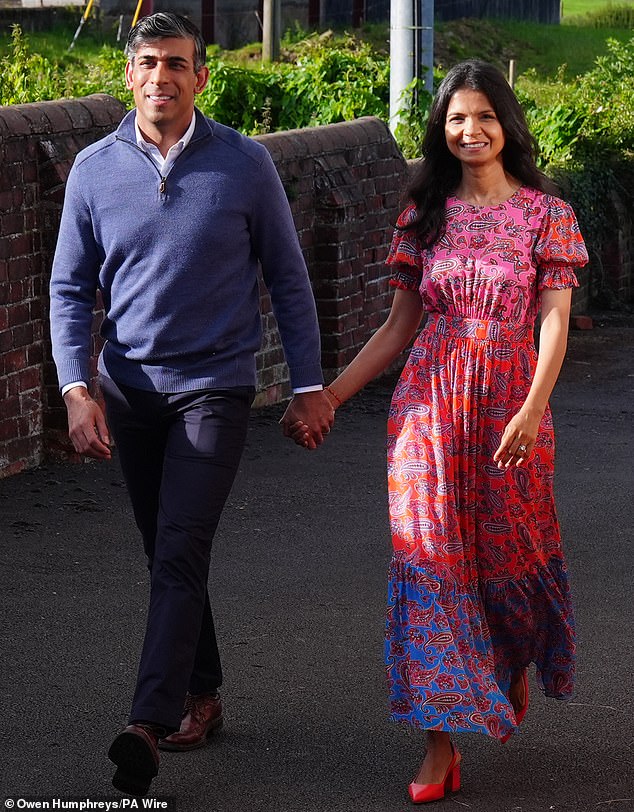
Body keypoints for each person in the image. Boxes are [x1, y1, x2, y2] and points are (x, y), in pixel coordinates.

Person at [284, 59, 588, 803]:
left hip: (512, 405)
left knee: (509, 554)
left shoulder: (546, 214)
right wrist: (329, 397)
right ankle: (439, 742)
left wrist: (532, 405)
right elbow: (397, 327)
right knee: (426, 560)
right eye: (456, 118)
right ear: (441, 130)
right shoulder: (424, 214)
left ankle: (500, 667)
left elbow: (554, 319)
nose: (470, 130)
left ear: (506, 125)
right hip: (428, 405)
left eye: (484, 116)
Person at [50, 12, 333, 797]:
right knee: (167, 551)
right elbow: (69, 289)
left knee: (178, 544)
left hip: (215, 386)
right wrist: (77, 388)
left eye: (178, 63)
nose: (162, 77)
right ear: (129, 77)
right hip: (129, 390)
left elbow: (287, 277)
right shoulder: (93, 170)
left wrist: (308, 386)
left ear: (201, 77)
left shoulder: (244, 165)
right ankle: (202, 689)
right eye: (149, 63)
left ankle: (148, 719)